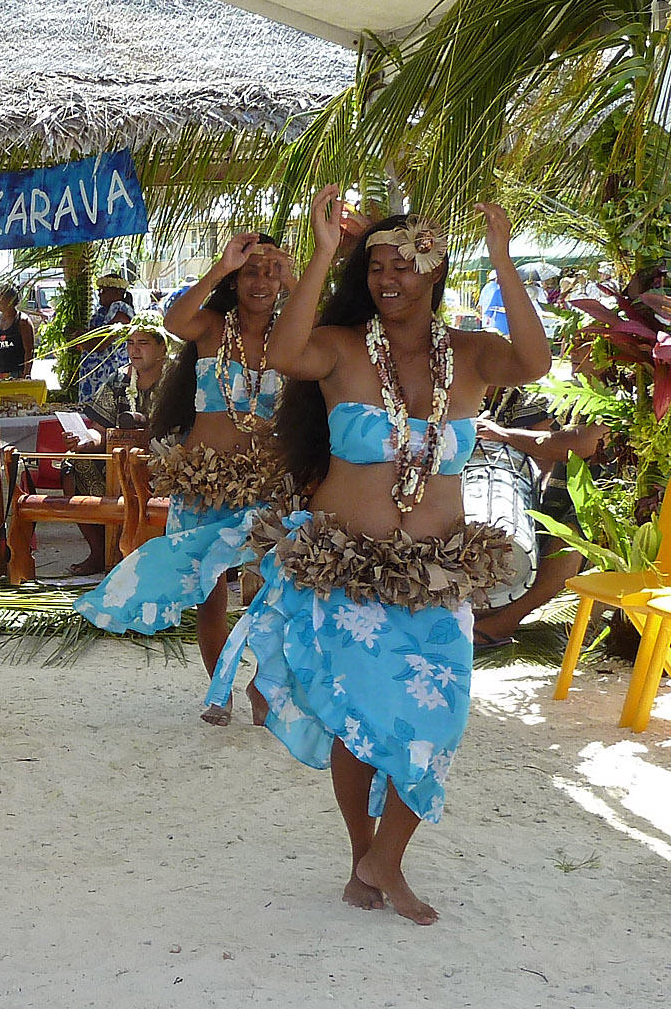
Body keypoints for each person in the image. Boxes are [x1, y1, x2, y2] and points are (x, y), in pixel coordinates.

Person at [207, 189, 549, 924]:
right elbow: (285, 353)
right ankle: (363, 856)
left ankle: (385, 859)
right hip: (345, 571)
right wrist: (327, 250)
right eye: (376, 267)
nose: (388, 278)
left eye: (404, 265)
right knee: (357, 722)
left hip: (434, 576)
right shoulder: (342, 349)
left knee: (438, 720)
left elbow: (535, 359)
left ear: (435, 271)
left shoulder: (471, 355)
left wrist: (503, 260)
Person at [74, 234, 295, 724]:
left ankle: (265, 686)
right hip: (204, 483)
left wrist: (296, 277)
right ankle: (220, 688)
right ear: (235, 278)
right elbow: (173, 321)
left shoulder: (295, 334)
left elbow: (324, 339)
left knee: (270, 593)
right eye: (250, 271)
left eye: (270, 270)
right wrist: (219, 266)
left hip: (265, 486)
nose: (260, 281)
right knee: (209, 592)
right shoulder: (212, 328)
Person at [470, 381, 609, 647]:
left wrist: (503, 434)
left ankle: (505, 622)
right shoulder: (581, 387)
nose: (576, 342)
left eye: (585, 339)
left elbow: (582, 444)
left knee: (572, 534)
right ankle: (487, 606)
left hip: (610, 499)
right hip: (568, 490)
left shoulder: (624, 391)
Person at [58, 320, 172, 576]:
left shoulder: (178, 380)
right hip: (119, 466)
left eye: (143, 343)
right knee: (72, 463)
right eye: (130, 344)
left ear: (162, 349)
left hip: (166, 465)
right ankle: (99, 552)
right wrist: (85, 440)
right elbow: (98, 429)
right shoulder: (119, 379)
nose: (135, 350)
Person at [74, 274, 136, 400]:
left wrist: (81, 338)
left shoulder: (121, 315)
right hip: (94, 378)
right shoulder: (103, 312)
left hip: (108, 376)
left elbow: (100, 343)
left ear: (118, 293)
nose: (99, 294)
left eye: (103, 291)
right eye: (99, 290)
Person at [0, 284, 35, 379]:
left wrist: (26, 374)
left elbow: (29, 351)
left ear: (10, 300)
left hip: (16, 373)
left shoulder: (22, 322)